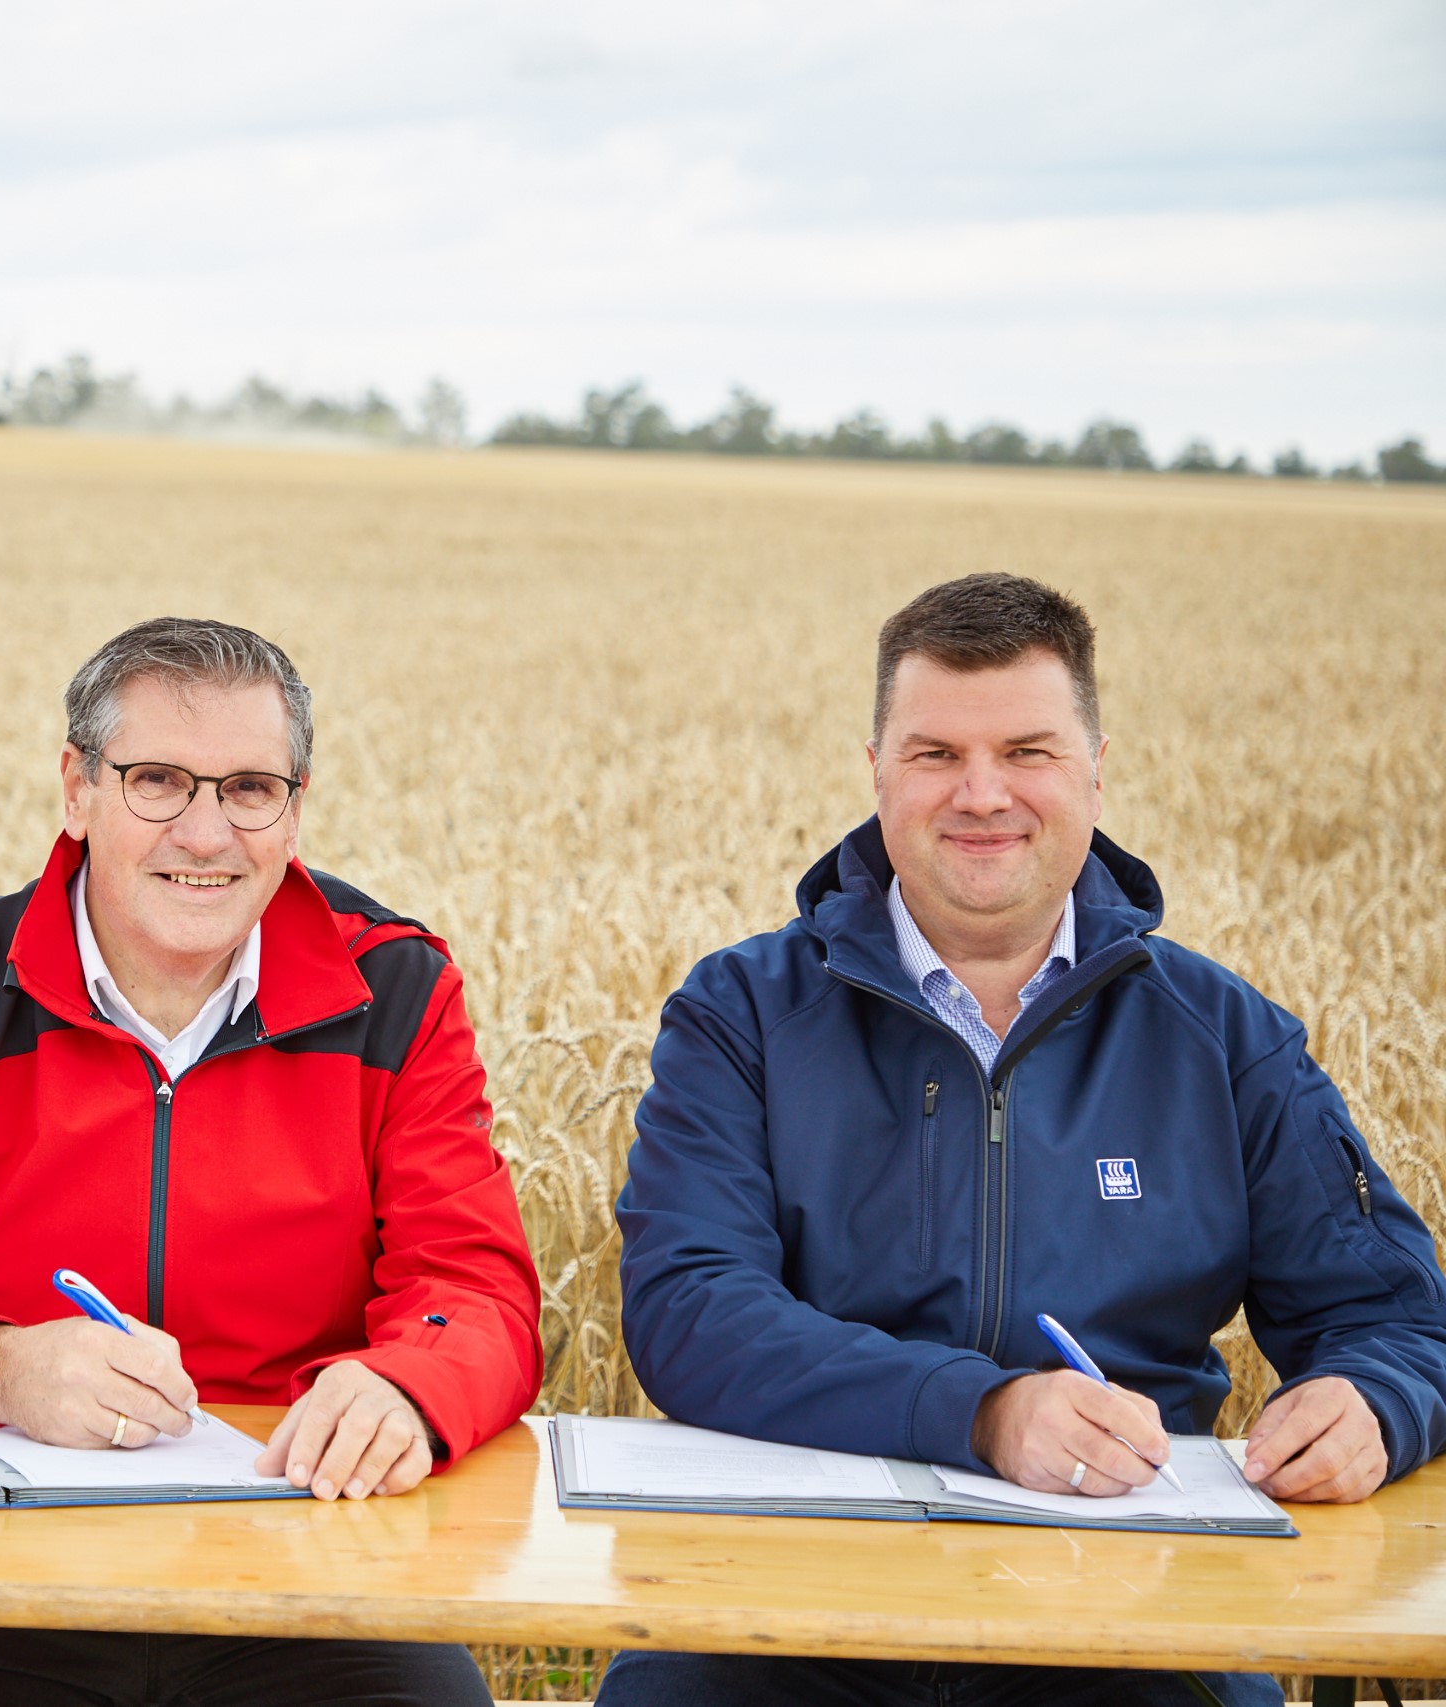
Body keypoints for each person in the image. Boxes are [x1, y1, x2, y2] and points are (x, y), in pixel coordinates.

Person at [604, 572, 1446, 1706]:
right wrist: (984, 1412)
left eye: (1028, 752)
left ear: (1096, 764)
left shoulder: (1223, 1035)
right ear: (875, 772)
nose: (981, 794)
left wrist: (1375, 1405)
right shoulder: (741, 1011)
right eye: (935, 753)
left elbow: (1393, 1316)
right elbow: (689, 1310)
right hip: (782, 1605)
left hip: (1132, 1611)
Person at [0, 616, 541, 1706]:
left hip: (310, 1561)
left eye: (249, 789)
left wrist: (408, 1386)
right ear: (76, 788)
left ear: (295, 806)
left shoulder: (399, 995)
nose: (207, 833)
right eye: (159, 782)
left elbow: (477, 1287)